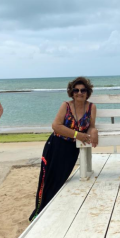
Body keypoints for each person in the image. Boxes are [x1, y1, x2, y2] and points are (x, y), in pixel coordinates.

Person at [29, 77, 98, 221]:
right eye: (76, 90)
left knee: (60, 181)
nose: (80, 93)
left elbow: (91, 125)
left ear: (88, 92)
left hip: (72, 151)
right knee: (46, 180)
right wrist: (77, 134)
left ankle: (50, 211)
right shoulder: (66, 106)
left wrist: (94, 131)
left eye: (83, 90)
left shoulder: (91, 107)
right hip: (55, 146)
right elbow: (56, 126)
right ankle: (39, 213)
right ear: (72, 92)